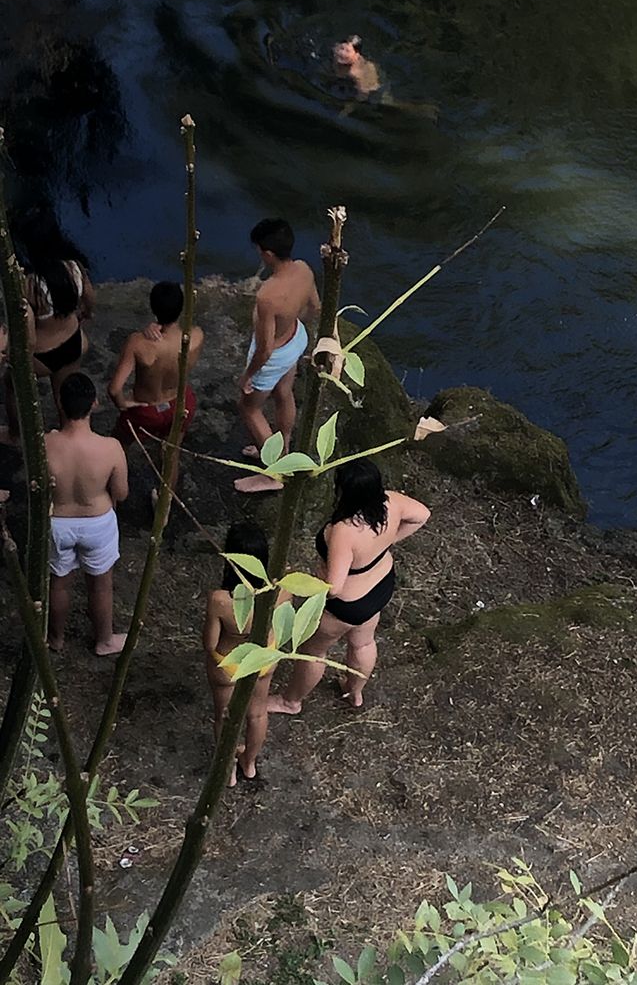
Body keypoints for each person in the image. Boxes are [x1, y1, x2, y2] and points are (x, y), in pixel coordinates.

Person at [268, 459, 430, 715]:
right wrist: (388, 543)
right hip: (380, 586)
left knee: (314, 651)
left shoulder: (344, 531)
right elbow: (422, 515)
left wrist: (302, 581)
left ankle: (290, 701)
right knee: (363, 643)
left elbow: (333, 587)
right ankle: (354, 692)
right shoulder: (392, 502)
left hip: (346, 605)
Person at [45, 372, 129, 656]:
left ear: (60, 403)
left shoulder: (44, 445)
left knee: (59, 582)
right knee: (101, 584)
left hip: (58, 521)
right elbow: (121, 492)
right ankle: (104, 640)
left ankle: (55, 639)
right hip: (98, 521)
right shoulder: (110, 448)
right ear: (94, 404)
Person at [236, 218, 320, 494]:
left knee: (250, 408)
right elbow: (314, 308)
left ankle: (275, 471)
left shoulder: (267, 296)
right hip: (296, 339)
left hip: (274, 356)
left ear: (268, 254)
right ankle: (281, 444)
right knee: (284, 393)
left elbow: (265, 349)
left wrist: (248, 375)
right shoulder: (305, 270)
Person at [202, 520, 289, 785]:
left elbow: (210, 642)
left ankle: (227, 771)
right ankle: (249, 764)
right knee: (258, 713)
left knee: (225, 718)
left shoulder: (220, 600)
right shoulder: (282, 589)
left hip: (228, 662)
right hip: (263, 659)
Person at [2, 218, 94, 440]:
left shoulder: (28, 285)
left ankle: (15, 433)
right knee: (63, 394)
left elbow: (30, 338)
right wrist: (85, 315)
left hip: (43, 356)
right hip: (74, 343)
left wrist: (13, 357)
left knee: (10, 386)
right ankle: (68, 432)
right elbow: (90, 298)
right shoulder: (74, 268)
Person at [108, 281, 204, 493]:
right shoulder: (196, 335)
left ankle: (112, 494)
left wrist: (124, 405)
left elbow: (114, 389)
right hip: (180, 404)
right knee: (171, 453)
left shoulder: (138, 343)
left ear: (153, 309)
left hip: (146, 409)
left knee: (117, 445)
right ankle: (165, 502)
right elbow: (178, 334)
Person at [332, 35, 382, 102]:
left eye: (347, 51)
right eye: (342, 48)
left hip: (373, 89)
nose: (342, 53)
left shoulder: (357, 72)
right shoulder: (336, 51)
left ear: (357, 55)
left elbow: (363, 95)